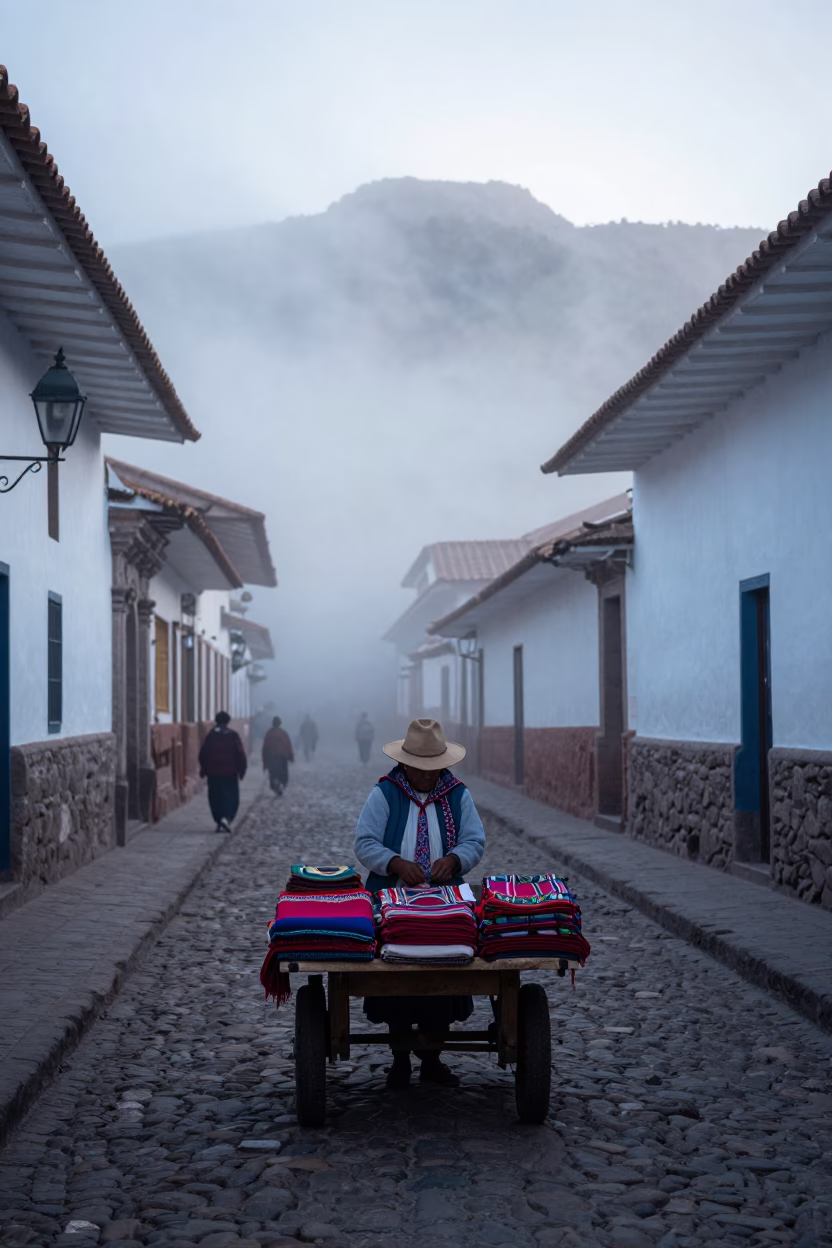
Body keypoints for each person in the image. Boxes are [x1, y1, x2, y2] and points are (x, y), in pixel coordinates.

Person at [354, 717, 486, 1089]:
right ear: (405, 763)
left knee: (441, 975)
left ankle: (432, 1058)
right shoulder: (384, 794)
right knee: (397, 977)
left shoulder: (457, 795)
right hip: (392, 901)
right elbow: (365, 842)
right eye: (420, 769)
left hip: (444, 902)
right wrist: (395, 863)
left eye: (434, 769)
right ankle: (399, 1058)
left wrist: (455, 860)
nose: (428, 777)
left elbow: (474, 840)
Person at [199, 711, 248, 833]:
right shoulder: (233, 735)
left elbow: (203, 754)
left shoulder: (211, 736)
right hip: (230, 773)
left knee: (215, 798)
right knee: (231, 797)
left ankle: (219, 818)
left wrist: (204, 769)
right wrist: (242, 770)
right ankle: (227, 818)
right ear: (228, 721)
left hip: (214, 773)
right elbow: (240, 754)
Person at [262, 716, 295, 796]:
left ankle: (276, 787)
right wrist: (291, 756)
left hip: (272, 757)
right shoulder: (283, 733)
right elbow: (288, 745)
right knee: (283, 774)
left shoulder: (269, 733)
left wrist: (264, 761)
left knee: (273, 774)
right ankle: (281, 786)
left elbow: (265, 748)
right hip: (282, 757)